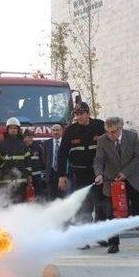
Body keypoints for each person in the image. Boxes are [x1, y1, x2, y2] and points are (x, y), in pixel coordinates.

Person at [94, 116, 139, 253]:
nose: (110, 135)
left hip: (133, 179)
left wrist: (125, 173)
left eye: (114, 132)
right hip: (112, 180)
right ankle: (114, 243)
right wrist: (98, 174)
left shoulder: (132, 136)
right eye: (108, 131)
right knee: (112, 212)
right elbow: (99, 160)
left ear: (120, 128)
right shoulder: (102, 140)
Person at [57, 102, 108, 248]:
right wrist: (62, 175)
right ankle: (84, 238)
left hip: (98, 173)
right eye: (76, 114)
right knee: (84, 206)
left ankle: (100, 236)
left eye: (81, 113)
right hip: (79, 174)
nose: (78, 116)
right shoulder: (70, 130)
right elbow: (62, 154)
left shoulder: (100, 126)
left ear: (88, 113)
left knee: (101, 205)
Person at [0, 117, 31, 203]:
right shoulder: (1, 145)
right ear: (7, 129)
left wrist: (29, 175)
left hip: (21, 182)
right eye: (11, 128)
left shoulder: (22, 144)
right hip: (5, 181)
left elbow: (28, 162)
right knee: (6, 204)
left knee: (21, 204)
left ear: (18, 130)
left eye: (15, 128)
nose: (13, 130)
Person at [43, 124, 66, 200]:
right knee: (51, 199)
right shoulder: (46, 143)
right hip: (50, 174)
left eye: (57, 130)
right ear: (51, 132)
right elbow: (44, 158)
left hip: (63, 175)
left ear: (62, 131)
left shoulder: (66, 142)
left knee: (63, 198)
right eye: (53, 130)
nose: (55, 132)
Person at [23, 130, 45, 199]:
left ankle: (40, 206)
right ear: (24, 138)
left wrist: (42, 169)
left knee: (39, 193)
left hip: (37, 174)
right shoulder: (21, 147)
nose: (30, 139)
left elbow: (42, 159)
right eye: (28, 137)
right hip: (25, 175)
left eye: (31, 137)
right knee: (24, 193)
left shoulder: (38, 147)